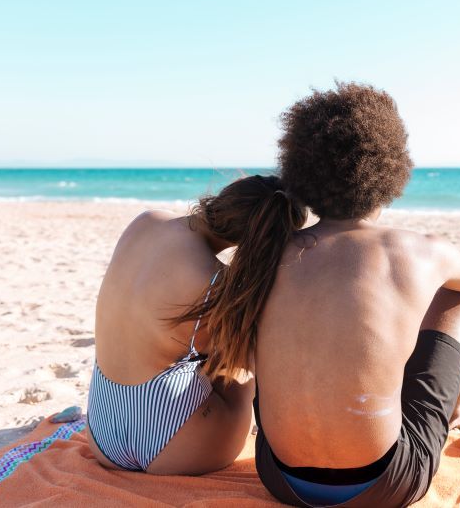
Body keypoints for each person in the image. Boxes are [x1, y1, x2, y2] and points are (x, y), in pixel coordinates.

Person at [204, 82, 460, 506]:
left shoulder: (267, 254)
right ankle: (447, 418)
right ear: (391, 168)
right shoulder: (417, 250)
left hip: (279, 477)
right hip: (384, 487)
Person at [86, 175, 306, 475]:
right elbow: (248, 360)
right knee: (237, 369)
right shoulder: (217, 282)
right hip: (173, 446)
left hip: (103, 434)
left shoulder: (145, 221)